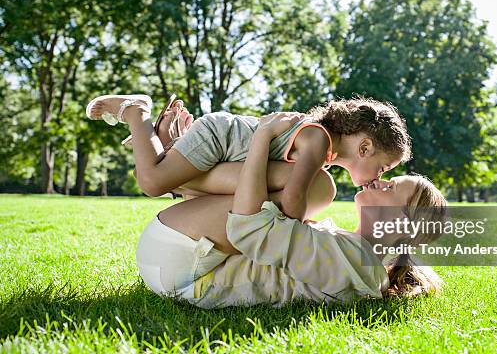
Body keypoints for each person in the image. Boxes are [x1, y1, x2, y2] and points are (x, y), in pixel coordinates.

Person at [132, 111, 447, 308]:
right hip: (180, 257)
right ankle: (177, 168)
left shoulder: (358, 263)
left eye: (392, 187)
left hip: (182, 269)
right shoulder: (356, 255)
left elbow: (249, 228)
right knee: (311, 188)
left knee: (316, 187)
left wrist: (263, 135)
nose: (381, 181)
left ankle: (175, 168)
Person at [86, 94, 411, 220]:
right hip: (220, 138)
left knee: (170, 180)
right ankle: (136, 112)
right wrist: (305, 226)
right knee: (152, 180)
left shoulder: (321, 149)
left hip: (230, 150)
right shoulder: (317, 139)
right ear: (364, 148)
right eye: (383, 167)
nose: (379, 176)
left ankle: (171, 140)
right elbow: (294, 199)